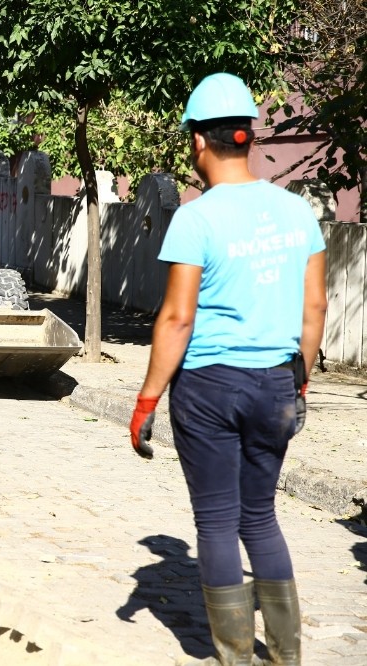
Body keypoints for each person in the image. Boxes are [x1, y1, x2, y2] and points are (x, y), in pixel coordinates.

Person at [129, 73, 327, 666]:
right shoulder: (298, 213)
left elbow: (176, 320)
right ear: (247, 137)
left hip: (209, 388)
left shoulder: (195, 218)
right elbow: (313, 308)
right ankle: (286, 656)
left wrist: (146, 400)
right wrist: (300, 377)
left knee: (216, 522)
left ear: (198, 143)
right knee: (260, 517)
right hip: (275, 383)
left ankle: (235, 657)